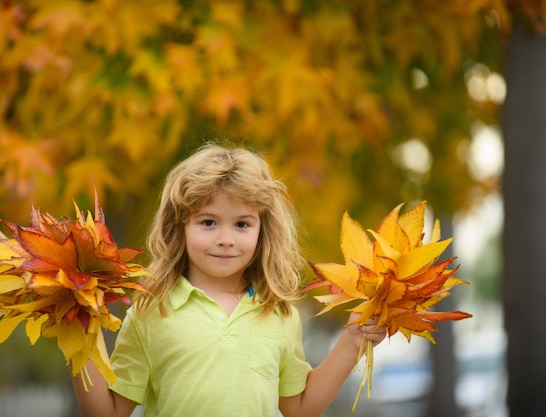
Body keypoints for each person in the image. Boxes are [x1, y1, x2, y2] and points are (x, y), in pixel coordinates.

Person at [72, 143, 387, 417]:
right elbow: (109, 411)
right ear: (179, 227)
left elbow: (300, 408)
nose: (225, 239)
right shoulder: (151, 309)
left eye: (242, 224)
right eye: (208, 222)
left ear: (263, 230)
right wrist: (78, 334)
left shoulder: (279, 312)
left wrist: (352, 342)